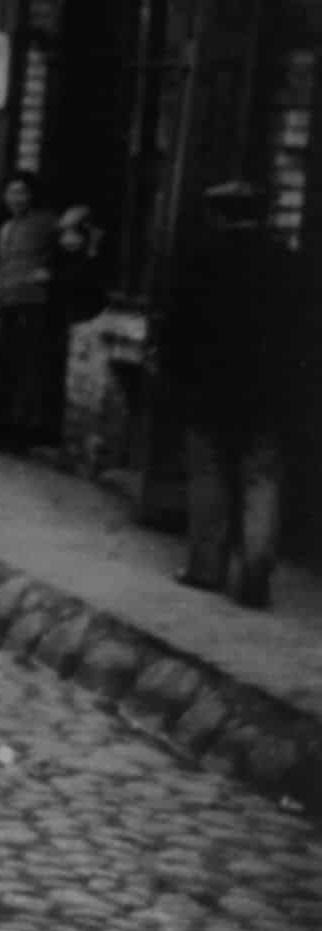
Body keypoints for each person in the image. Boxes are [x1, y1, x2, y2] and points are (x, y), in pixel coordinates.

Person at [159, 181, 304, 610]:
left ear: (217, 215)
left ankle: (206, 568)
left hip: (207, 389)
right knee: (262, 480)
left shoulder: (199, 262)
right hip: (267, 393)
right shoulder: (288, 264)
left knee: (210, 477)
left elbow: (177, 329)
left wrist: (173, 376)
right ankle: (256, 570)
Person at [0, 171, 61, 448]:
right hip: (4, 304)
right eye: (11, 193)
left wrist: (50, 271)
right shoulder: (5, 229)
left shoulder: (46, 221)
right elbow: (1, 269)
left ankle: (22, 431)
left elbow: (76, 232)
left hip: (31, 304)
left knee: (26, 369)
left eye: (22, 192)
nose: (16, 198)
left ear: (32, 196)